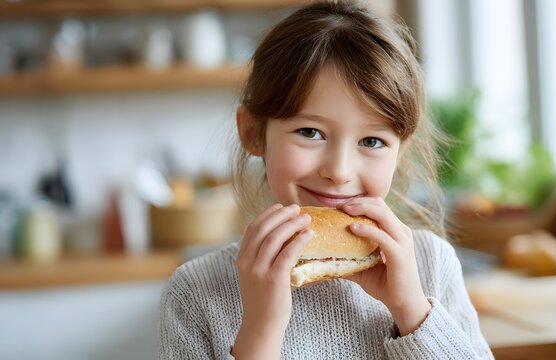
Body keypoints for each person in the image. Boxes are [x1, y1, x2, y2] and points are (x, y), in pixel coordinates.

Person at [159, 1, 493, 359]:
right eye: (310, 132)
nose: (339, 170)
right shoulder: (195, 292)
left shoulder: (431, 264)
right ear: (254, 133)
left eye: (372, 141)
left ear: (400, 152)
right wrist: (262, 328)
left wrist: (412, 310)